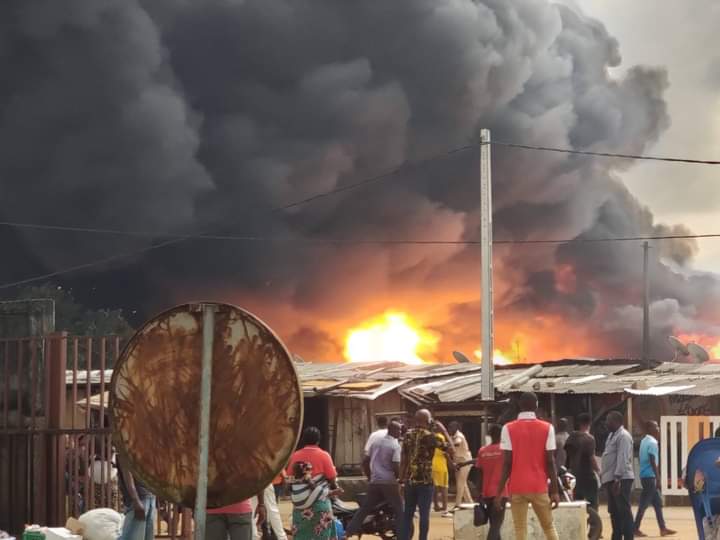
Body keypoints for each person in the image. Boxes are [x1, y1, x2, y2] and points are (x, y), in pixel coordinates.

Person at [495, 392, 560, 540]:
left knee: (520, 529)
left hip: (517, 487)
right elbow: (550, 462)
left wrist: (499, 492)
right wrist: (555, 491)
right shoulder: (547, 428)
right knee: (549, 527)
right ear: (536, 405)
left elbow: (507, 463)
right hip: (539, 486)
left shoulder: (508, 428)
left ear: (519, 406)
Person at [346, 420, 404, 538]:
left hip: (375, 482)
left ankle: (348, 532)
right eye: (398, 429)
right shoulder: (395, 445)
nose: (400, 432)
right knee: (399, 509)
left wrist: (369, 477)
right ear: (392, 430)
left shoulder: (376, 443)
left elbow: (365, 462)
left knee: (365, 509)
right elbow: (396, 465)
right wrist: (400, 479)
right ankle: (403, 535)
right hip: (389, 483)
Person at [287, 427, 341, 540]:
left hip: (300, 507)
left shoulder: (295, 456)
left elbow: (289, 481)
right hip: (320, 504)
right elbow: (332, 478)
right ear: (318, 440)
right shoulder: (324, 455)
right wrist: (334, 491)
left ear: (303, 439)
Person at [400, 409, 441, 540]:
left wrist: (401, 480)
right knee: (424, 515)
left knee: (408, 514)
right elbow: (450, 449)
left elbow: (403, 459)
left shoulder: (407, 435)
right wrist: (443, 430)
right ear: (427, 420)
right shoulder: (430, 436)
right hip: (425, 481)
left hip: (410, 481)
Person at [634, 421, 676, 537]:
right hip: (650, 477)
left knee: (657, 504)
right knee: (643, 504)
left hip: (645, 476)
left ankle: (663, 528)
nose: (658, 429)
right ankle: (635, 528)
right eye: (656, 426)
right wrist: (658, 478)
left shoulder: (644, 441)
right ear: (649, 429)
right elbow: (652, 461)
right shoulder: (652, 442)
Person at [601, 411, 635, 540]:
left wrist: (617, 478)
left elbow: (623, 457)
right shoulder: (611, 435)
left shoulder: (623, 436)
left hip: (620, 479)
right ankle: (616, 536)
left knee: (624, 511)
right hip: (610, 479)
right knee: (614, 511)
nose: (606, 423)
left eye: (608, 420)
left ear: (616, 421)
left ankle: (628, 537)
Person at [475, 424, 508, 540]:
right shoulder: (505, 450)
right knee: (496, 526)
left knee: (494, 524)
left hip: (487, 493)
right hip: (501, 493)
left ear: (490, 435)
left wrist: (478, 492)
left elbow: (479, 473)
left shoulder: (482, 451)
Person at [564, 412, 600, 510]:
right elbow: (591, 458)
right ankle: (593, 522)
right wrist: (598, 471)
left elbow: (567, 457)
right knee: (592, 503)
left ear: (579, 423)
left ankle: (579, 523)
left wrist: (568, 470)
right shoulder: (589, 439)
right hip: (588, 475)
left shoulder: (570, 438)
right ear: (589, 424)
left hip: (575, 476)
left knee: (577, 503)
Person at [117, 456, 156, 540]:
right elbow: (128, 475)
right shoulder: (129, 450)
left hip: (144, 498)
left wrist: (136, 500)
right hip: (143, 498)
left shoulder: (130, 449)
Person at [448, 421, 474, 508]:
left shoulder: (459, 435)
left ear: (456, 428)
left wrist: (448, 445)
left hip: (465, 461)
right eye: (449, 427)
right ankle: (470, 503)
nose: (449, 429)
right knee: (463, 483)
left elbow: (457, 443)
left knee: (460, 483)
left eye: (451, 427)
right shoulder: (452, 436)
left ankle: (457, 504)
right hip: (458, 462)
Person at [432, 430, 451, 515]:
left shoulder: (431, 439)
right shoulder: (441, 438)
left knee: (435, 488)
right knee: (444, 488)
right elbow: (446, 451)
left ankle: (436, 505)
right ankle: (445, 507)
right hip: (441, 466)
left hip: (433, 465)